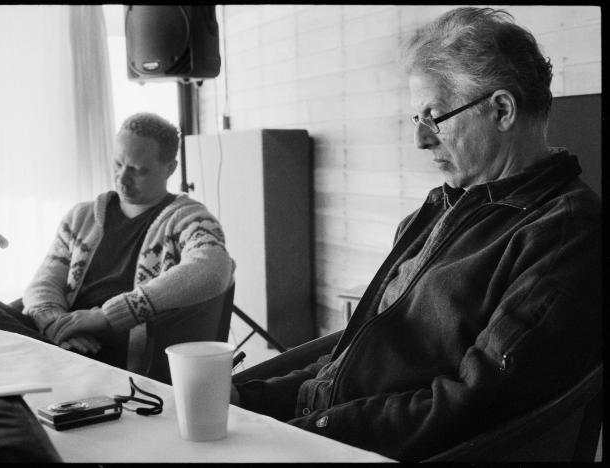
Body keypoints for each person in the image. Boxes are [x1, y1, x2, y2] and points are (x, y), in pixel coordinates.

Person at [230, 7, 601, 462]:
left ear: (501, 109)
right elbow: (358, 357)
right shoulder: (436, 209)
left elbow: (474, 402)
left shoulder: (565, 231)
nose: (420, 141)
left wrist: (303, 434)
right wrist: (251, 401)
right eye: (415, 119)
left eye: (434, 116)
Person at [0, 112, 234, 367]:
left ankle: (47, 355)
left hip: (107, 350)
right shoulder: (82, 216)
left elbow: (214, 268)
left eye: (138, 170)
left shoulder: (187, 217)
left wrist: (103, 316)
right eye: (118, 164)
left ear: (170, 168)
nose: (122, 178)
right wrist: (55, 324)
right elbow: (45, 282)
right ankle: (54, 352)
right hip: (59, 335)